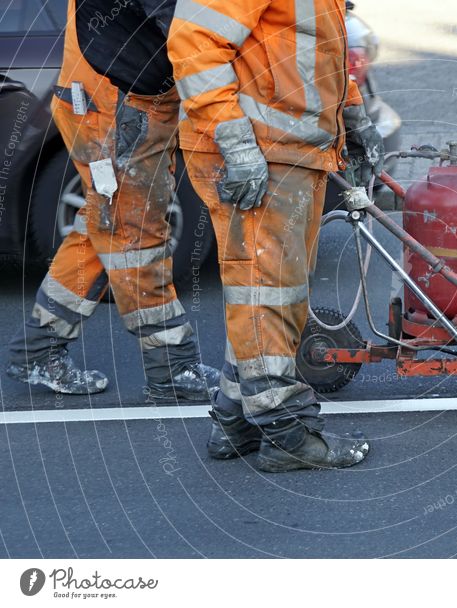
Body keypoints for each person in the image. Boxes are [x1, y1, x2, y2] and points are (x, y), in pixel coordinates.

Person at [168, 0, 384, 471]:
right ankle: (286, 432)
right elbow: (192, 43)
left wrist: (354, 120)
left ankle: (236, 419)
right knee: (267, 293)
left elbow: (319, 54)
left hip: (291, 154)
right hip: (262, 153)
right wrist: (237, 143)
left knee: (274, 295)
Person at [6, 0, 219, 401]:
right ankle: (171, 367)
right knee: (135, 234)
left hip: (115, 96)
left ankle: (37, 347)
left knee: (106, 224)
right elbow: (183, 23)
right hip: (110, 102)